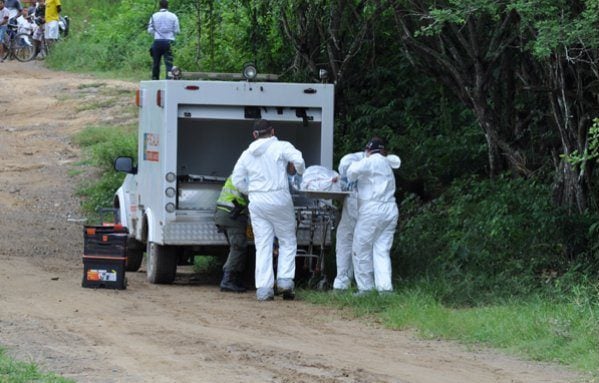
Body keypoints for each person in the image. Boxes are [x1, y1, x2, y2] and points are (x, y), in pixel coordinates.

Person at [231, 119, 305, 301]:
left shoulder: (246, 154)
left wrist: (252, 191)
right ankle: (285, 281)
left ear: (254, 135)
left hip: (257, 200)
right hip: (279, 197)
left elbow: (237, 181)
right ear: (272, 131)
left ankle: (264, 289)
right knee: (287, 239)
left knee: (263, 244)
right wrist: (299, 172)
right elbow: (299, 160)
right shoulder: (281, 146)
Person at [333, 147, 401, 291]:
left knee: (360, 249)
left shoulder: (368, 161)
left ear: (369, 150)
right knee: (381, 251)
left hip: (371, 210)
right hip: (390, 210)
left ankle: (365, 288)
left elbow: (350, 172)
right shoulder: (386, 163)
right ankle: (385, 289)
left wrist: (345, 178)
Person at [214, 176, 250, 293]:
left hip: (223, 214)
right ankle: (227, 281)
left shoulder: (237, 173)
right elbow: (251, 199)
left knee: (236, 248)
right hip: (233, 215)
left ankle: (234, 279)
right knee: (238, 247)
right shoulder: (246, 177)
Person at [147, 0, 180, 80]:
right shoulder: (173, 16)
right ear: (167, 6)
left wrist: (156, 32)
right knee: (169, 64)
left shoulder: (154, 16)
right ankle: (168, 81)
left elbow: (150, 30)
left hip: (157, 42)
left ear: (159, 6)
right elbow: (177, 31)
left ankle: (155, 79)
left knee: (156, 63)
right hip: (169, 42)